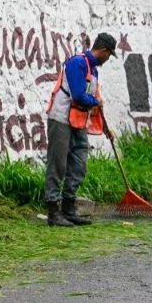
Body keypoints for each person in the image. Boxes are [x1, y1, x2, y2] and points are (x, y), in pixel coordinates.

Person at [44, 33, 117, 227]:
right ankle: (53, 212)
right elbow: (78, 96)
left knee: (78, 164)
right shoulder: (77, 63)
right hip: (61, 118)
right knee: (57, 164)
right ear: (103, 50)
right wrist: (95, 101)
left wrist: (105, 128)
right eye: (109, 55)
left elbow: (95, 101)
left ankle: (68, 209)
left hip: (78, 121)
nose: (108, 59)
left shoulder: (93, 71)